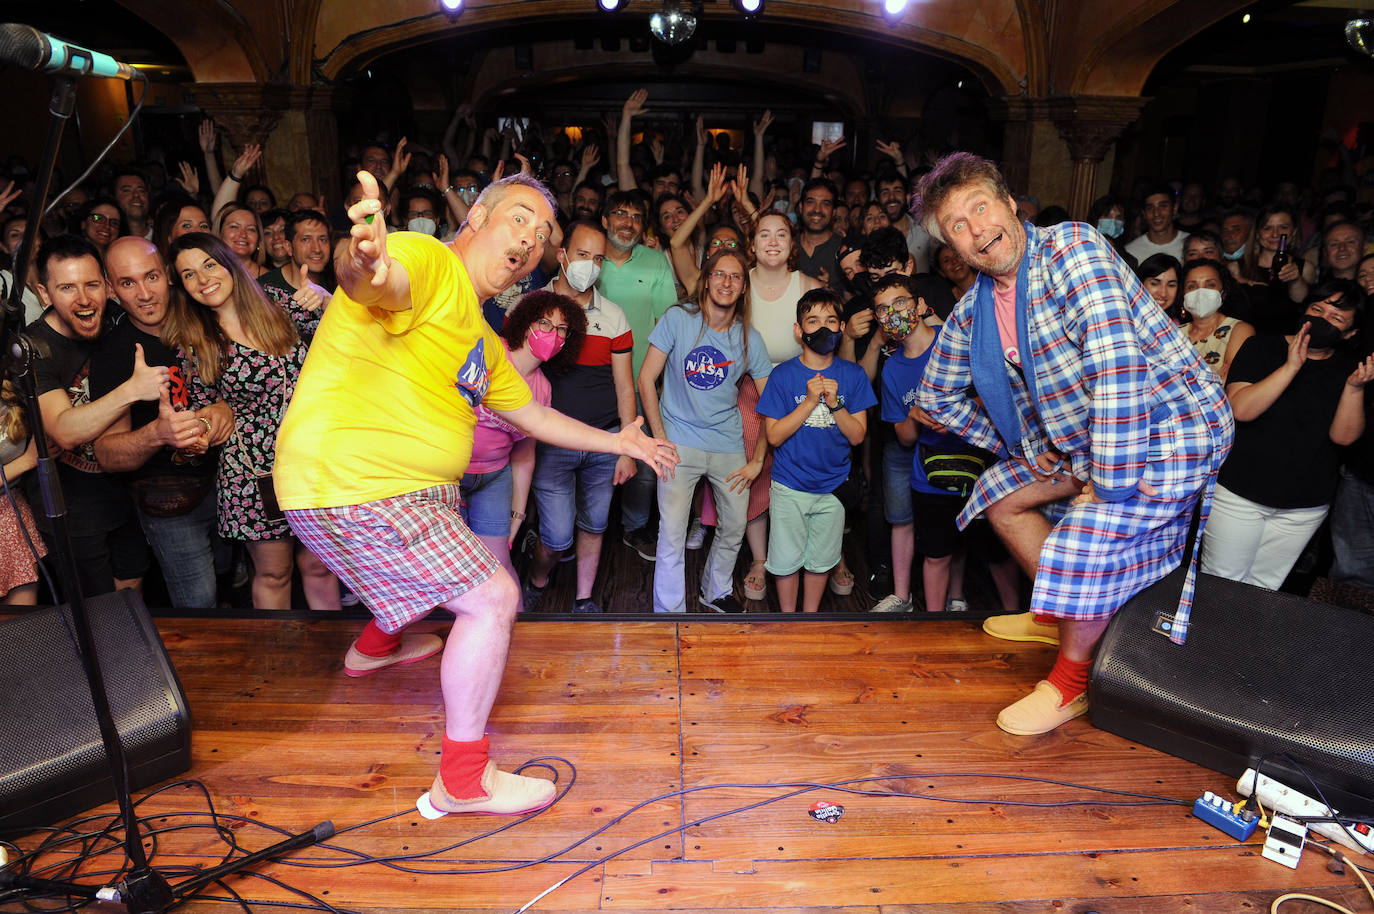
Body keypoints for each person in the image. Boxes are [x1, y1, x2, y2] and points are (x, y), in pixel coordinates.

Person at [273, 172, 677, 817]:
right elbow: (377, 277)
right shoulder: (429, 260)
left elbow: (536, 418)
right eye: (520, 219)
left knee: (445, 559)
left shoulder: (481, 339)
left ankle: (371, 650)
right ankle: (461, 782)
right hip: (361, 480)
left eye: (542, 233)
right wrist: (366, 258)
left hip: (382, 489)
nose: (531, 238)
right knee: (493, 598)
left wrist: (622, 443)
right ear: (476, 218)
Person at [914, 152, 1233, 736]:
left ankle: (1071, 684)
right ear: (951, 251)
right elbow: (931, 401)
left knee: (1084, 541)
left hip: (1174, 429)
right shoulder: (972, 313)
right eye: (958, 225)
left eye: (980, 207)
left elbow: (1116, 370)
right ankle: (1062, 614)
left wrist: (1103, 487)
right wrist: (1020, 444)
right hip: (1090, 442)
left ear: (1009, 204)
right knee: (998, 494)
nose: (977, 229)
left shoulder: (1074, 250)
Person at [164, 232, 338, 610]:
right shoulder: (195, 343)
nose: (203, 278)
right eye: (189, 274)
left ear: (228, 263)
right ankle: (274, 665)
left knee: (322, 567)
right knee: (275, 574)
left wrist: (328, 302)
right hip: (254, 475)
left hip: (313, 461)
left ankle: (334, 660)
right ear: (182, 286)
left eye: (209, 264)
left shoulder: (276, 304)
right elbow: (204, 417)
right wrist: (199, 429)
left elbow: (343, 341)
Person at [91, 236, 234, 609]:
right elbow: (106, 453)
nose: (144, 293)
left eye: (151, 276)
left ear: (168, 275)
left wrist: (224, 410)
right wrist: (158, 432)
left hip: (231, 483)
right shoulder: (115, 353)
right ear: (111, 289)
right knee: (199, 602)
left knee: (236, 579)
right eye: (127, 283)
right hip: (171, 503)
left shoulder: (207, 315)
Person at [1201, 281, 1367, 590]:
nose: (1321, 320)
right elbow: (1241, 408)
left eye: (1335, 317)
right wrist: (1291, 366)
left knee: (1266, 589)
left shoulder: (1349, 370)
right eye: (1317, 310)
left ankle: (1245, 639)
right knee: (1221, 584)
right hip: (1239, 495)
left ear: (1350, 333)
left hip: (1304, 508)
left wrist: (1354, 389)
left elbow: (1344, 437)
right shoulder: (1262, 347)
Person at [872, 274, 1020, 615]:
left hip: (983, 467)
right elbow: (906, 439)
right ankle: (935, 625)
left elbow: (1000, 390)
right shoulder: (892, 370)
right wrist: (913, 415)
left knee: (997, 553)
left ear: (921, 305)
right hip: (931, 477)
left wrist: (962, 408)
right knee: (936, 555)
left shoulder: (954, 343)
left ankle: (1021, 618)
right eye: (883, 309)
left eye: (901, 303)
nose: (894, 313)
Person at [27, 234, 162, 599]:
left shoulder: (117, 319)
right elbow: (65, 430)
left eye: (91, 285)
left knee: (132, 587)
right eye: (67, 287)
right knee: (97, 608)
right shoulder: (34, 349)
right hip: (72, 509)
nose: (84, 299)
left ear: (107, 286)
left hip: (123, 491)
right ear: (44, 294)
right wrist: (132, 389)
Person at [640, 247, 773, 614]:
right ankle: (670, 610)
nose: (726, 282)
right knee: (672, 532)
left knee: (733, 526)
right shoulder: (678, 319)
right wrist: (660, 438)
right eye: (719, 274)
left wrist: (758, 459)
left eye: (735, 277)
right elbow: (646, 378)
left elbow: (772, 403)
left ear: (744, 288)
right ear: (706, 280)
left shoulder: (749, 339)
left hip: (727, 444)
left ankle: (714, 592)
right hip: (678, 441)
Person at [523, 221, 637, 614]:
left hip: (605, 440)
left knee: (595, 525)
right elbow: (515, 373)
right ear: (563, 255)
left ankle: (584, 598)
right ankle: (537, 578)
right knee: (555, 538)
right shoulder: (535, 307)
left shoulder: (615, 317)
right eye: (583, 255)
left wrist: (626, 447)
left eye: (599, 258)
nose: (590, 265)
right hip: (552, 441)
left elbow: (625, 387)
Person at [756, 288, 876, 612]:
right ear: (799, 330)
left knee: (822, 560)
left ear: (840, 328)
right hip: (790, 485)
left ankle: (809, 618)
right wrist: (810, 402)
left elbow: (857, 436)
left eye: (830, 320)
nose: (822, 328)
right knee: (785, 559)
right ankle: (787, 620)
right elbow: (774, 435)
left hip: (833, 487)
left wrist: (835, 404)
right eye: (813, 321)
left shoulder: (853, 376)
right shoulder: (781, 375)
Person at [465, 289, 585, 588]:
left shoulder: (543, 389)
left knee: (494, 568)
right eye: (545, 323)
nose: (553, 334)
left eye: (561, 330)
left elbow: (523, 456)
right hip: (449, 473)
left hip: (493, 478)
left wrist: (517, 515)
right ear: (526, 322)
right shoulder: (491, 350)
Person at [596, 188, 678, 561]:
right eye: (619, 214)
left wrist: (660, 380)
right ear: (604, 220)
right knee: (592, 454)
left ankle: (633, 528)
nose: (627, 223)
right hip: (593, 380)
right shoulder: (589, 255)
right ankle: (592, 527)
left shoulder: (655, 261)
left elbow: (665, 325)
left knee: (644, 464)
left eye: (635, 217)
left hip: (642, 379)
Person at [1, 379, 47, 604]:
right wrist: (28, 460)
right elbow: (29, 458)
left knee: (21, 619)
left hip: (12, 515)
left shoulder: (9, 391)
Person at [1178, 258, 1254, 382]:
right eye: (1192, 286)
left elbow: (1229, 382)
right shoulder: (1173, 333)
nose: (1200, 292)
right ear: (1183, 295)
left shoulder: (1239, 330)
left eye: (1210, 285)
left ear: (1223, 293)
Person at [1125, 184, 1188, 264]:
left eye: (1163, 206)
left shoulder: (1191, 245)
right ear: (1144, 213)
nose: (1156, 213)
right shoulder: (1130, 252)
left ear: (1175, 208)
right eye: (1150, 208)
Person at [215, 204, 268, 279]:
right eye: (234, 227)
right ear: (219, 233)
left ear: (258, 238)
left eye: (250, 229)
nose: (243, 235)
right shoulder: (207, 275)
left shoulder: (270, 280)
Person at [1134, 253, 1182, 324]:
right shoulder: (1125, 318)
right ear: (1140, 283)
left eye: (1171, 285)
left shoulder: (1178, 327)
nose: (1163, 293)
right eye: (1154, 284)